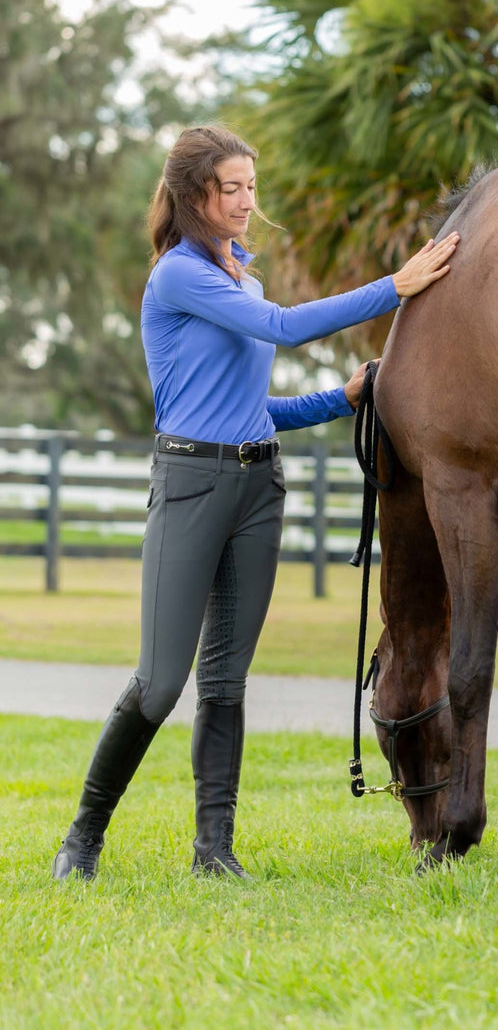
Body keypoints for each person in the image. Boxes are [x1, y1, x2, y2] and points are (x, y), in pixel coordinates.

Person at [52, 126, 459, 881]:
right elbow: (282, 329)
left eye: (250, 187)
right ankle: (82, 837)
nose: (246, 202)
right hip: (190, 486)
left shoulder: (241, 276)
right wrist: (393, 286)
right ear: (191, 196)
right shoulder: (178, 277)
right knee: (159, 682)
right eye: (230, 189)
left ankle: (215, 852)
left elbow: (249, 407)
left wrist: (339, 400)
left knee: (225, 683)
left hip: (257, 487)